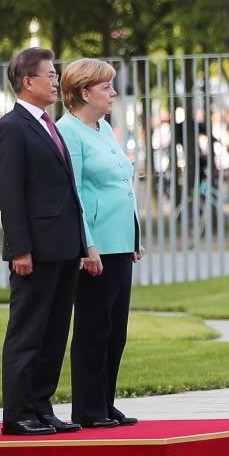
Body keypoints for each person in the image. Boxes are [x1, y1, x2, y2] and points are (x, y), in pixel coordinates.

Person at [0, 47, 88, 437]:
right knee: (28, 332)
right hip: (35, 250)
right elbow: (10, 195)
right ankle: (18, 413)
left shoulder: (49, 123)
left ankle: (42, 407)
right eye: (49, 74)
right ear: (27, 81)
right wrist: (20, 249)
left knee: (53, 333)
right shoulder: (12, 127)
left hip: (63, 247)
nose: (55, 80)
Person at [58, 58, 144, 430]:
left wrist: (135, 236)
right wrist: (86, 246)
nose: (112, 92)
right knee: (94, 328)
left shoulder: (103, 128)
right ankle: (88, 409)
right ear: (83, 91)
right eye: (106, 87)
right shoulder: (69, 132)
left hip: (120, 242)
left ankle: (106, 404)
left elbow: (122, 184)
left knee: (115, 329)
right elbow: (73, 192)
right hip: (96, 248)